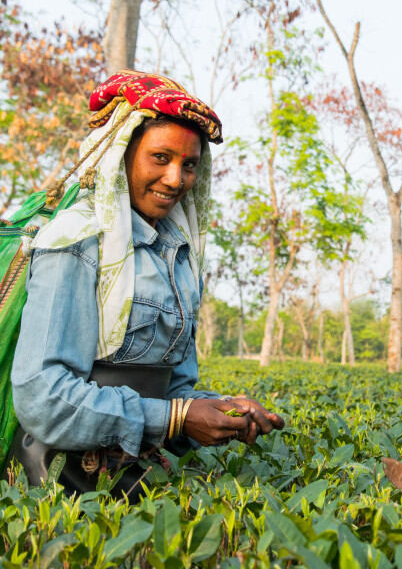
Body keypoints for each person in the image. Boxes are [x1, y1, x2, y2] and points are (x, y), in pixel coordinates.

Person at [10, 70, 284, 495]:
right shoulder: (76, 242)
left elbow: (173, 387)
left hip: (140, 476)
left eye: (188, 165)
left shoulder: (177, 254)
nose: (176, 179)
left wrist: (221, 410)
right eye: (160, 158)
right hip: (62, 483)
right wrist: (175, 417)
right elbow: (43, 398)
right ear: (121, 155)